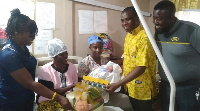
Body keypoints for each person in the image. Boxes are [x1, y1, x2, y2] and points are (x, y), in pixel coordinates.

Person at [0, 8, 72, 111]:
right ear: (17, 33)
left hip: (27, 99)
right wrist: (59, 98)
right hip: (11, 103)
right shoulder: (8, 54)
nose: (33, 37)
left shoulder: (23, 48)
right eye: (30, 34)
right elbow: (31, 83)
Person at [105, 6, 157, 111]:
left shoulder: (144, 38)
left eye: (128, 19)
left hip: (142, 91)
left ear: (137, 18)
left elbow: (141, 67)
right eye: (122, 20)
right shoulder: (129, 36)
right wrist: (112, 62)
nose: (124, 23)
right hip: (129, 86)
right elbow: (129, 59)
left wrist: (118, 84)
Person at [153, 1, 200, 111]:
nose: (155, 22)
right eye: (154, 18)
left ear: (171, 17)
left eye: (159, 19)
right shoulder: (159, 32)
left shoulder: (192, 30)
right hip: (166, 86)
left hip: (189, 88)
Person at [78, 35, 133, 111]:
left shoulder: (105, 61)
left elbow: (110, 74)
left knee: (125, 99)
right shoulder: (84, 63)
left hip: (106, 92)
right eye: (95, 47)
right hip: (92, 95)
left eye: (100, 47)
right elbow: (81, 82)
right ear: (90, 48)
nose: (98, 50)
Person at [36, 38, 78, 104]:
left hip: (69, 98)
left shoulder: (72, 67)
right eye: (61, 54)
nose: (65, 56)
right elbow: (49, 92)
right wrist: (72, 86)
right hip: (49, 100)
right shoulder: (45, 70)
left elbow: (76, 87)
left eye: (66, 53)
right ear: (54, 56)